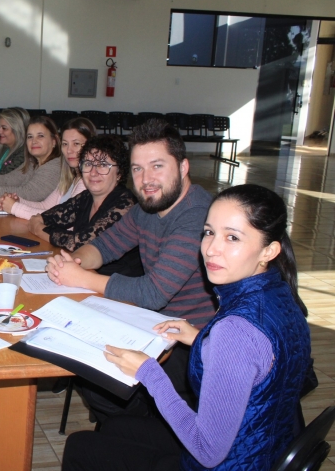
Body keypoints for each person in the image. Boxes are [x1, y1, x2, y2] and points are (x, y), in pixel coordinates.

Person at [63, 184, 312, 471]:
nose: (211, 249)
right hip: (263, 447)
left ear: (269, 251)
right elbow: (258, 362)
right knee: (118, 428)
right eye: (209, 232)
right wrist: (200, 337)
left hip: (227, 462)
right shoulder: (281, 296)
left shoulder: (235, 330)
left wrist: (149, 374)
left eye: (232, 237)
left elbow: (207, 451)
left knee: (81, 447)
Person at [45, 119, 216, 421]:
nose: (146, 178)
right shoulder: (148, 206)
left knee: (101, 384)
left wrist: (81, 278)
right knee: (83, 358)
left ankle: (148, 436)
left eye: (157, 166)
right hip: (157, 324)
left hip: (194, 343)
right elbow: (105, 245)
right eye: (138, 168)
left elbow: (153, 293)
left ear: (184, 167)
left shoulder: (197, 216)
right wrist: (76, 262)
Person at [32, 136, 142, 277]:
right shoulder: (85, 197)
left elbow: (80, 243)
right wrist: (42, 227)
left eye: (103, 165)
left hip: (115, 286)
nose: (93, 172)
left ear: (119, 173)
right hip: (84, 277)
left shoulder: (126, 204)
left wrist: (39, 229)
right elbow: (42, 218)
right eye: (88, 164)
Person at [0, 117, 94, 219]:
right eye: (65, 144)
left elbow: (63, 220)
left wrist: (15, 207)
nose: (69, 150)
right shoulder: (70, 178)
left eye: (76, 144)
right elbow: (45, 206)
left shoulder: (87, 182)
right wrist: (19, 201)